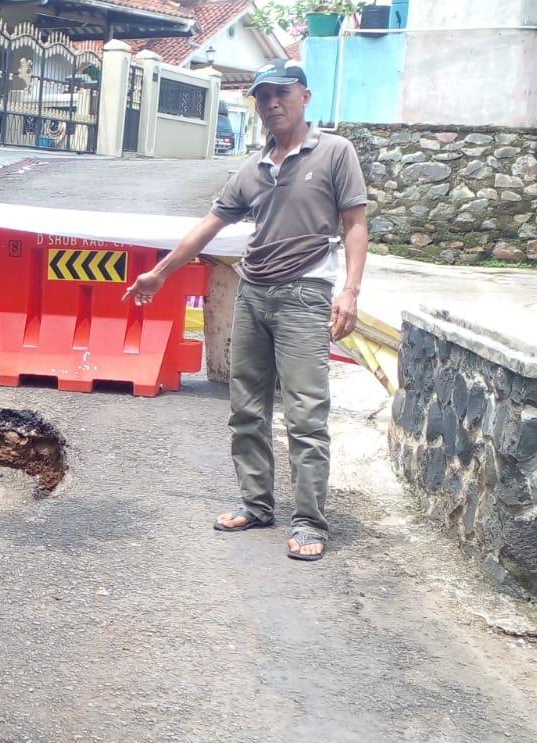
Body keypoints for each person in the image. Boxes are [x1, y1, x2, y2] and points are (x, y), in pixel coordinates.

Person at [123, 59, 369, 562]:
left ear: (304, 95)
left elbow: (356, 225)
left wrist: (350, 292)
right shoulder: (252, 169)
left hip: (305, 295)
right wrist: (160, 272)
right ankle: (257, 504)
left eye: (281, 93)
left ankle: (308, 520)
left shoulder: (335, 152)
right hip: (252, 292)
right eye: (262, 96)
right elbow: (208, 227)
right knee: (246, 409)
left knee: (304, 413)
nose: (272, 103)